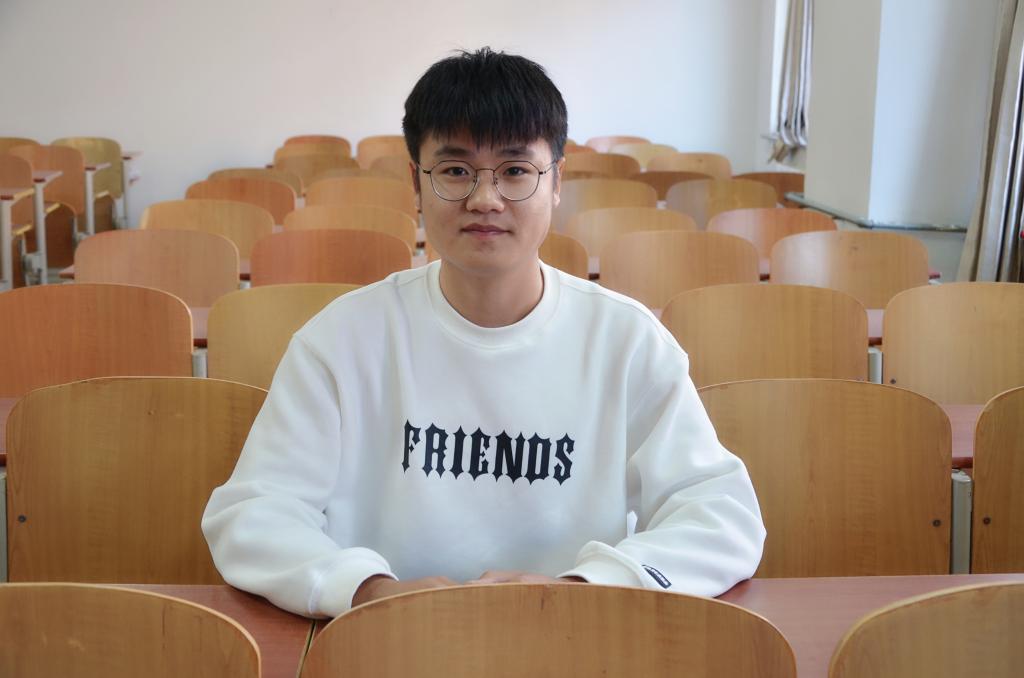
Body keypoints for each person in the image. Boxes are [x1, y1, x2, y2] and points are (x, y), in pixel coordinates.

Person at [202, 47, 765, 619]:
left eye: (516, 170)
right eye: (455, 171)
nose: (485, 199)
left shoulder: (626, 341)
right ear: (416, 183)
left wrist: (584, 587)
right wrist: (368, 590)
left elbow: (723, 517)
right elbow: (254, 513)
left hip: (572, 635)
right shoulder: (341, 340)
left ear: (556, 181)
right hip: (389, 635)